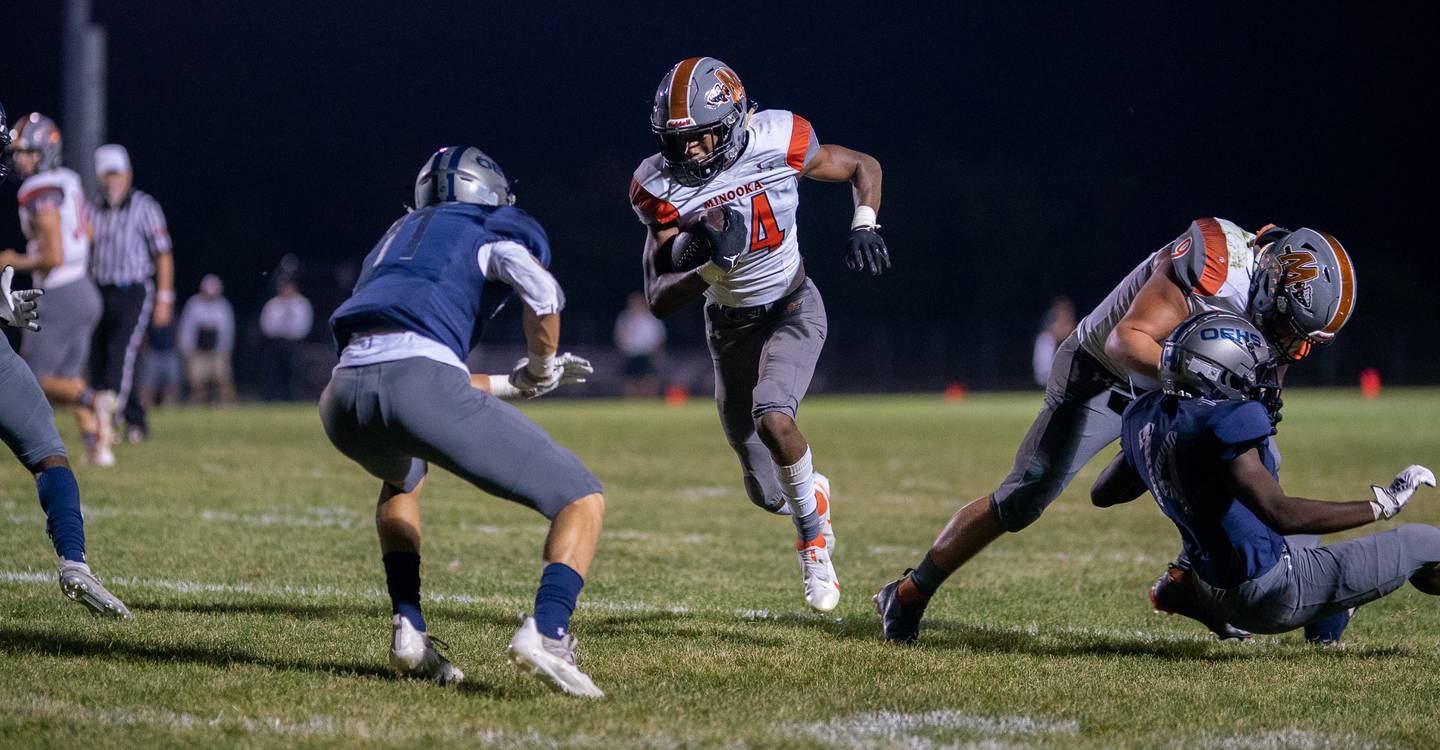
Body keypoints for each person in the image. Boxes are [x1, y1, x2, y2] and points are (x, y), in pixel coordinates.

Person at [874, 220, 1357, 643]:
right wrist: (1187, 369)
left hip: (1176, 389)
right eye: (1290, 327)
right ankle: (909, 592)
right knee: (1025, 497)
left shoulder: (1273, 302)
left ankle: (1186, 582)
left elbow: (1266, 372)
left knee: (1252, 461)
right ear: (1276, 282)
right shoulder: (1217, 263)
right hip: (1103, 375)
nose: (1292, 344)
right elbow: (1125, 341)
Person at [320, 146, 605, 697]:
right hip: (416, 385)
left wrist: (515, 384)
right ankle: (547, 633)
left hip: (342, 396)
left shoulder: (392, 242)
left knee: (403, 474)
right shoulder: (485, 227)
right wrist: (543, 365)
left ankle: (409, 628)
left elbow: (403, 361)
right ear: (488, 194)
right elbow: (542, 294)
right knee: (581, 498)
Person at [630, 57, 890, 612]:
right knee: (765, 489)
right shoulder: (657, 184)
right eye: (679, 142)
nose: (691, 152)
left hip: (794, 305)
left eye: (702, 137)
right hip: (729, 327)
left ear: (732, 120)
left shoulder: (779, 137)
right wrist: (710, 267)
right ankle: (810, 496)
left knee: (774, 415)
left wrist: (864, 221)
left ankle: (813, 541)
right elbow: (657, 299)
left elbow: (861, 164)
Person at [1092, 310, 1436, 644]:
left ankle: (1186, 589)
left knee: (1308, 538)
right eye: (1250, 372)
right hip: (1269, 594)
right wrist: (1382, 503)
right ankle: (1327, 608)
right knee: (1425, 543)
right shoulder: (1224, 423)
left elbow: (1103, 493)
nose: (1258, 382)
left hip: (1211, 583)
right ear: (1217, 370)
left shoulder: (1147, 415)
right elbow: (1282, 514)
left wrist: (1145, 451)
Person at [0, 112, 109, 465]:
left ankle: (96, 401)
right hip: (84, 287)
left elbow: (53, 255)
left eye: (27, 152)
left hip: (60, 291)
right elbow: (88, 234)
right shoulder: (70, 180)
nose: (19, 159)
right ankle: (97, 442)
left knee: (35, 379)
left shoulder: (36, 189)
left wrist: (14, 258)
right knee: (66, 376)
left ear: (46, 151)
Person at [89, 144, 176, 443]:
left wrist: (165, 297)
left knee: (120, 355)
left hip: (133, 290)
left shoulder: (145, 207)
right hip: (99, 290)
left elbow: (163, 254)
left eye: (117, 173)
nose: (112, 180)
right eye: (106, 174)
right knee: (101, 358)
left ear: (128, 174)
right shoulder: (92, 208)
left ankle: (107, 418)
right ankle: (134, 418)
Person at [177, 273, 236, 405]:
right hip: (197, 350)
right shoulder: (194, 304)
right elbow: (187, 328)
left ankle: (228, 405)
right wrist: (186, 349)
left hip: (218, 350)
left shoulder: (223, 305)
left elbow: (227, 330)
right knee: (197, 381)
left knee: (223, 378)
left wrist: (225, 350)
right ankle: (199, 405)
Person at [259, 278, 313, 400]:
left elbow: (304, 326)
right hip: (276, 342)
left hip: (294, 343)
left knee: (294, 372)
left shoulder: (302, 304)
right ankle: (272, 397)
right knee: (274, 372)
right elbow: (266, 325)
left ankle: (293, 397)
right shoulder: (273, 304)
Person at [614, 291, 665, 397]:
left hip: (647, 354)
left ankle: (648, 403)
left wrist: (657, 354)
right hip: (631, 354)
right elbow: (619, 336)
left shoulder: (651, 318)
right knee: (630, 380)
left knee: (649, 380)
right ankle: (631, 404)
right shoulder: (625, 318)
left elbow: (658, 338)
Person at [1032, 296, 1076, 386]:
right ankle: (1045, 374)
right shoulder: (1051, 318)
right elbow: (1057, 333)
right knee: (1046, 340)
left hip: (1064, 364)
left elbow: (1072, 333)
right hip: (1049, 364)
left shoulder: (1069, 319)